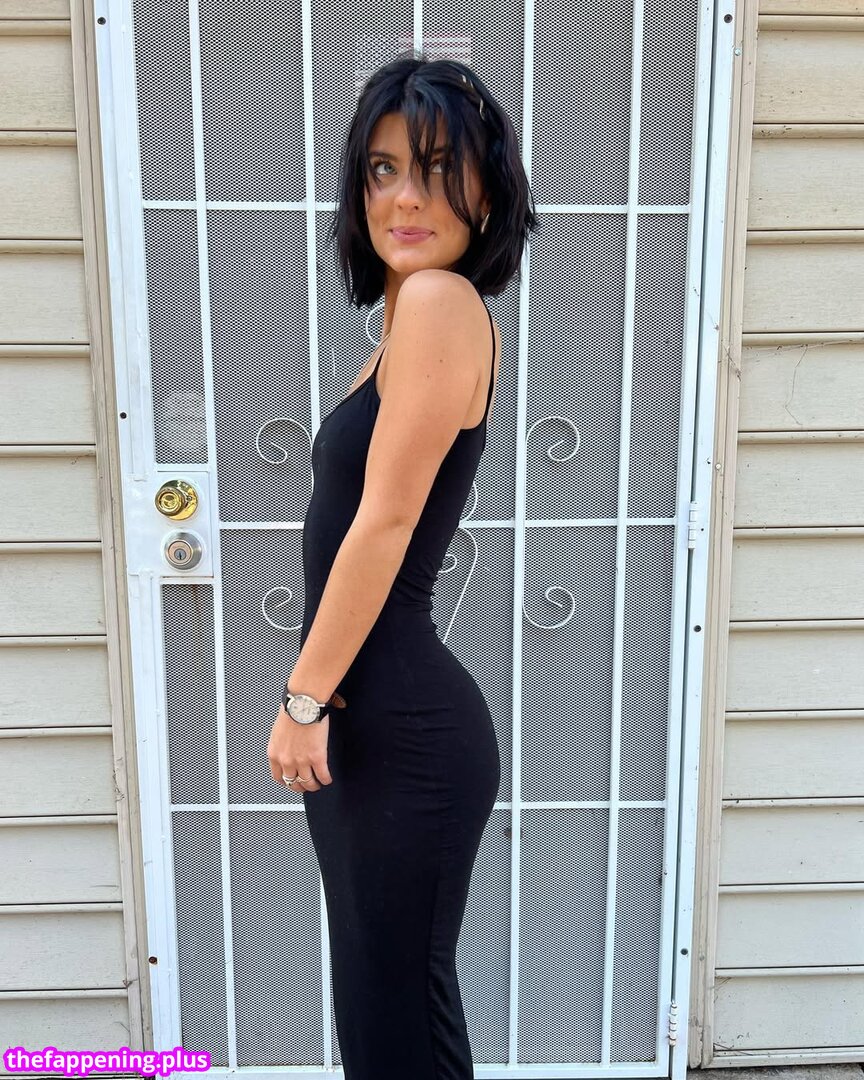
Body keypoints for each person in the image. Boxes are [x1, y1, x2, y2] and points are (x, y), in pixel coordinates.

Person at [267, 51, 537, 1079]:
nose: (406, 196)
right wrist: (319, 703)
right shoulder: (403, 327)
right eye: (382, 170)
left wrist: (302, 698)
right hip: (367, 722)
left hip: (403, 730)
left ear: (487, 191)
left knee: (395, 1025)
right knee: (384, 1019)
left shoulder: (439, 306)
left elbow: (382, 525)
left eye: (436, 168)